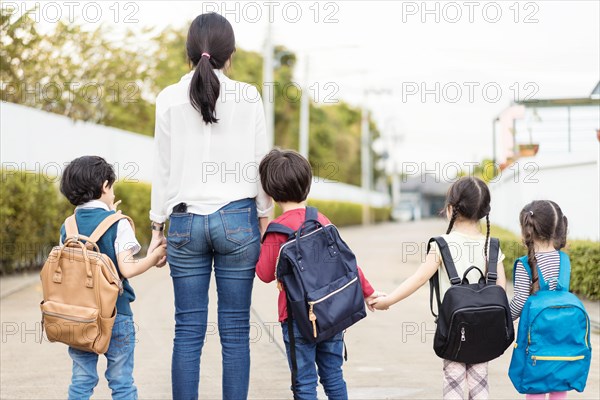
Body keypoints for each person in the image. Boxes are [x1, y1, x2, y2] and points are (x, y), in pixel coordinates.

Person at [148, 12, 273, 400]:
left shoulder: (168, 98)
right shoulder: (249, 96)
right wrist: (265, 217)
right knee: (235, 331)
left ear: (189, 53)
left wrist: (156, 228)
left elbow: (163, 167)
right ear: (230, 54)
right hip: (238, 220)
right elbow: (261, 163)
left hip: (185, 222)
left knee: (187, 331)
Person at [256, 148, 380, 400]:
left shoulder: (277, 231)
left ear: (270, 191)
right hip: (331, 313)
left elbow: (264, 273)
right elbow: (347, 262)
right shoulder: (321, 219)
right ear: (307, 184)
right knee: (333, 376)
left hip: (296, 317)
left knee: (304, 383)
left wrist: (261, 235)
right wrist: (368, 292)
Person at [371, 176, 507, 400]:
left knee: (453, 385)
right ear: (484, 211)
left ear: (451, 208)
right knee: (480, 385)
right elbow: (499, 290)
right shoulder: (491, 245)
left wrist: (388, 300)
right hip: (484, 331)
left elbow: (417, 279)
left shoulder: (441, 245)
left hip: (454, 331)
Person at [59, 155, 167, 400]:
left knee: (81, 380)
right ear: (105, 187)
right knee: (121, 382)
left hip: (79, 317)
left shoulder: (68, 226)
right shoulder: (118, 224)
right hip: (116, 316)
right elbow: (127, 269)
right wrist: (154, 256)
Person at [509, 200, 569, 400]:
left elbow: (518, 303)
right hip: (563, 337)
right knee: (559, 384)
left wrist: (503, 318)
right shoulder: (564, 260)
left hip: (535, 339)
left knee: (535, 385)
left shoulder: (524, 264)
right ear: (558, 228)